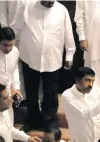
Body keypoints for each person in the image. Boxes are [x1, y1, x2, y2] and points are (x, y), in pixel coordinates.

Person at [11, 0, 76, 130]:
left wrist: (70, 53)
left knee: (50, 92)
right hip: (29, 57)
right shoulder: (26, 7)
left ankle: (49, 121)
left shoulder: (61, 10)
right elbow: (14, 29)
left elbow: (68, 33)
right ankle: (32, 120)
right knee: (31, 91)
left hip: (52, 58)